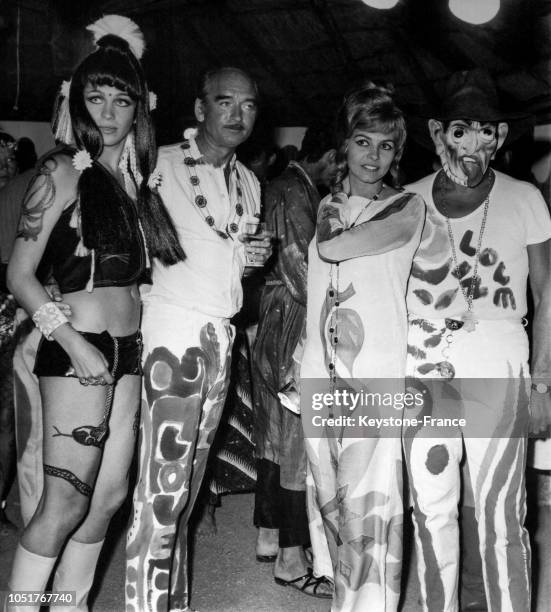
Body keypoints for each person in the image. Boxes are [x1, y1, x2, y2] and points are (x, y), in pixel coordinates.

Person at [5, 15, 184, 612]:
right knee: (64, 502)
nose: (109, 112)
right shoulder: (61, 170)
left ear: (140, 108)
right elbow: (19, 274)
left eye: (122, 99)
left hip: (128, 354)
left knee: (106, 499)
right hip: (77, 345)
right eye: (96, 98)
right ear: (78, 103)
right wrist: (74, 344)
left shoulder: (135, 182)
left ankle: (69, 605)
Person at [403, 68, 551, 611]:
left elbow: (547, 290)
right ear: (439, 130)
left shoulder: (524, 197)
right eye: (462, 129)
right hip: (423, 366)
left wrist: (543, 382)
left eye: (487, 131)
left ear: (502, 137)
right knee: (432, 506)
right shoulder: (407, 201)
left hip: (498, 361)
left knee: (500, 512)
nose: (475, 143)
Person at [125, 66, 272, 612]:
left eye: (249, 105)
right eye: (225, 101)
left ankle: (174, 603)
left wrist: (250, 262)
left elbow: (228, 259)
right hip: (173, 335)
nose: (238, 114)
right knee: (161, 491)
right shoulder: (155, 164)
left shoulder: (249, 182)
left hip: (220, 337)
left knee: (187, 489)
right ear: (199, 108)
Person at [300, 84, 425, 611]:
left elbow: (334, 245)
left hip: (374, 372)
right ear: (344, 146)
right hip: (318, 370)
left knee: (373, 499)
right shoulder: (328, 202)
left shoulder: (406, 207)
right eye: (362, 141)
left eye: (386, 146)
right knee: (328, 493)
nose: (373, 156)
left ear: (398, 153)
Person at [252, 125, 336, 597]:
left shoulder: (290, 185)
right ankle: (290, 556)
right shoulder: (293, 190)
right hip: (292, 320)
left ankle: (268, 536)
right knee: (293, 444)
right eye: (339, 159)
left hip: (277, 318)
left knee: (274, 436)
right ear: (326, 154)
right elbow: (306, 272)